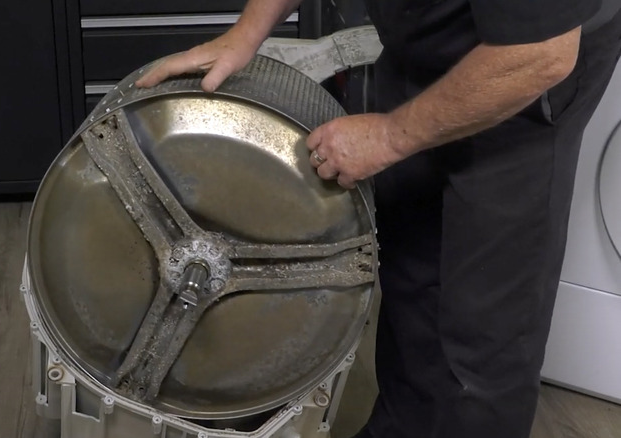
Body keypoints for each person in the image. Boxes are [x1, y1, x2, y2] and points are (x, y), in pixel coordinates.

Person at [136, 1, 621, 437]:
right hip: (430, 38)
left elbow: (539, 55)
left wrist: (389, 137)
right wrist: (243, 33)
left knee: (481, 331)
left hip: (518, 73)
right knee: (411, 276)